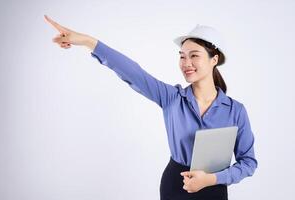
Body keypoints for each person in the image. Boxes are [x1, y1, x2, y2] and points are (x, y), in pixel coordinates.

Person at [44, 15, 258, 200]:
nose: (186, 62)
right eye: (182, 56)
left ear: (214, 60)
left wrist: (212, 178)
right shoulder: (172, 98)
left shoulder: (235, 110)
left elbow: (248, 162)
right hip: (175, 186)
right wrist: (87, 41)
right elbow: (133, 72)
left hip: (214, 189)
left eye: (194, 55)